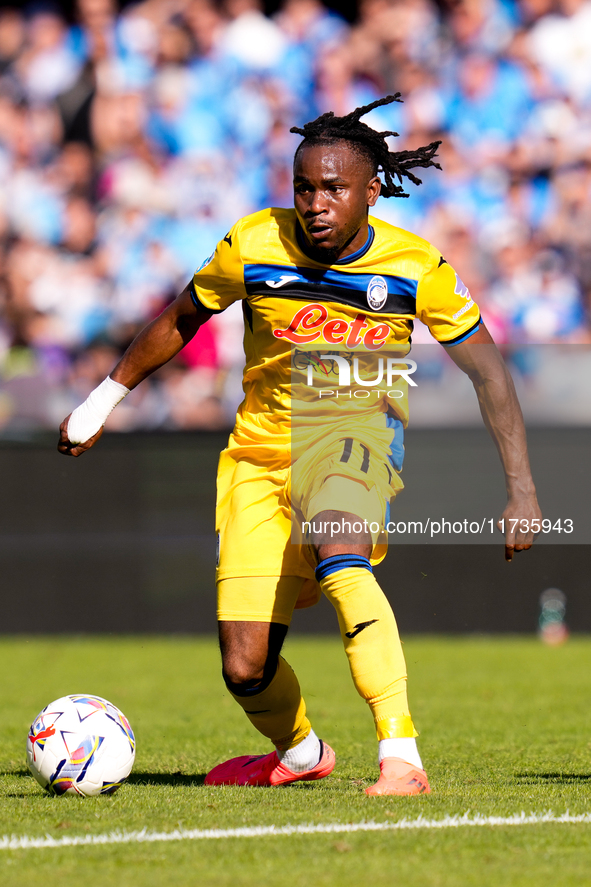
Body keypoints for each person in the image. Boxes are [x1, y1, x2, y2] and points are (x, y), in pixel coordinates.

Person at [58, 95, 542, 795]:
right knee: (244, 665)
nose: (315, 203)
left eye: (334, 188)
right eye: (303, 187)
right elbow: (180, 317)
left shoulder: (413, 266)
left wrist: (520, 486)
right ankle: (300, 748)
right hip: (256, 455)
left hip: (354, 435)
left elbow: (490, 372)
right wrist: (104, 398)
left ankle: (400, 753)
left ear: (370, 191)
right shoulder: (252, 244)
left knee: (339, 546)